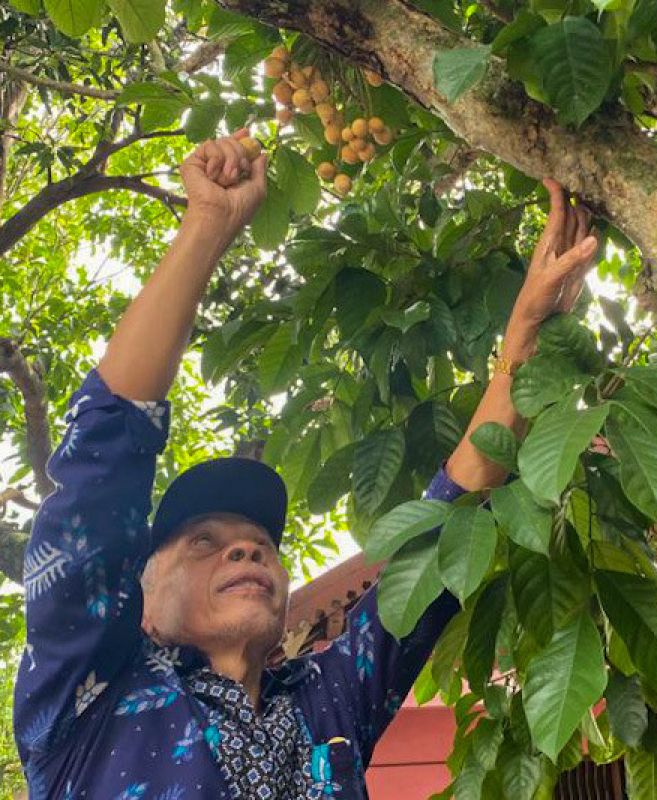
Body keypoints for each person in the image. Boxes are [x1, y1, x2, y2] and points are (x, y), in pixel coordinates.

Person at [12, 130, 599, 799]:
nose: (246, 555)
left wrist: (523, 342)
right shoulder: (87, 700)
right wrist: (206, 225)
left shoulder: (326, 711)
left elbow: (439, 543)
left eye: (259, 546)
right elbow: (104, 459)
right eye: (205, 543)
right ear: (140, 608)